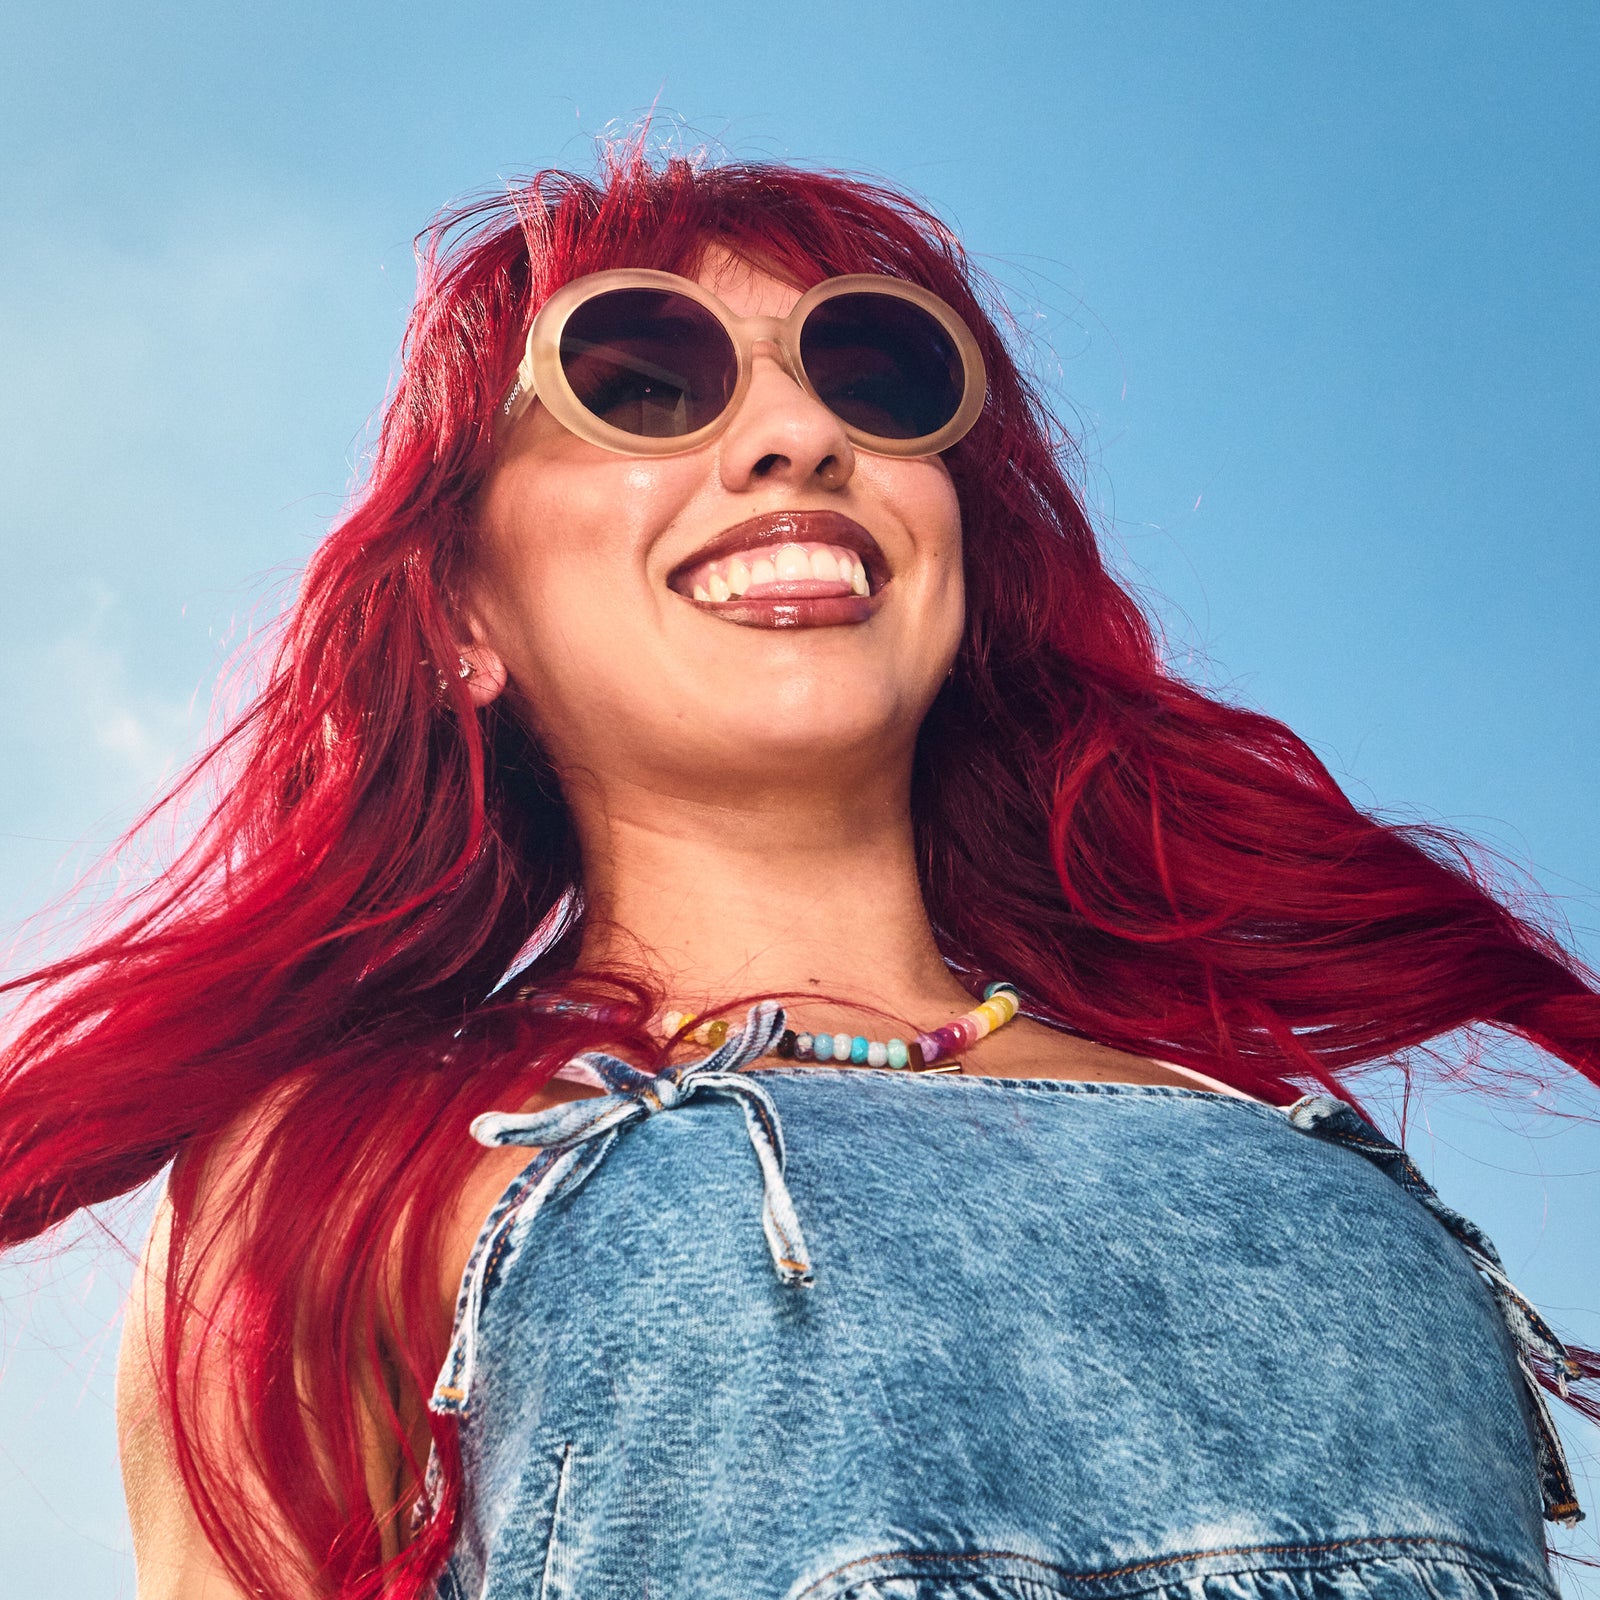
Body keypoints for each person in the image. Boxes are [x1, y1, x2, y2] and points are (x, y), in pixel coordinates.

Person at [1, 149, 1596, 1600]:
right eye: (637, 383)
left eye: (877, 378)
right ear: (464, 618)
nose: (799, 433)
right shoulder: (341, 1172)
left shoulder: (1267, 1132)